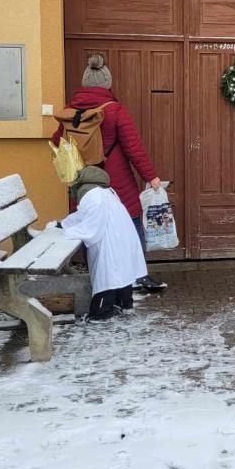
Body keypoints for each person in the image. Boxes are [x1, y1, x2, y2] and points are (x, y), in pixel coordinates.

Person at [52, 53, 166, 293]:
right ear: (107, 83)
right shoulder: (114, 110)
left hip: (84, 182)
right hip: (115, 180)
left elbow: (57, 142)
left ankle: (93, 272)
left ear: (85, 82)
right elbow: (134, 148)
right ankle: (138, 275)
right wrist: (151, 177)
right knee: (131, 221)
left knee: (90, 224)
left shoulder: (70, 113)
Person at [57, 166, 147, 321]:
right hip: (121, 240)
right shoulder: (106, 193)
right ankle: (124, 304)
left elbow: (91, 230)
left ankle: (102, 312)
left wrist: (67, 232)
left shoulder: (93, 197)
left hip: (111, 243)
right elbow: (82, 215)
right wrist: (64, 224)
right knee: (121, 272)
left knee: (108, 276)